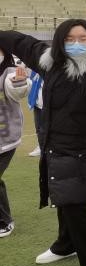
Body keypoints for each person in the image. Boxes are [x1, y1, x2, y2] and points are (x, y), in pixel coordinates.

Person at [0, 19, 86, 266]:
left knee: (76, 205)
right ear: (59, 41)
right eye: (69, 39)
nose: (76, 44)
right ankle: (65, 245)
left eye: (83, 39)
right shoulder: (49, 61)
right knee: (65, 199)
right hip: (58, 146)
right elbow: (21, 42)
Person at [0, 56, 31, 237]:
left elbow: (17, 91)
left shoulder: (9, 71)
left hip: (5, 139)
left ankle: (5, 221)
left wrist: (19, 83)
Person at [27, 70, 44, 156]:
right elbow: (32, 83)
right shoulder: (36, 70)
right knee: (38, 128)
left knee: (46, 129)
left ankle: (45, 148)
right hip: (37, 104)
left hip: (48, 106)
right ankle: (41, 147)